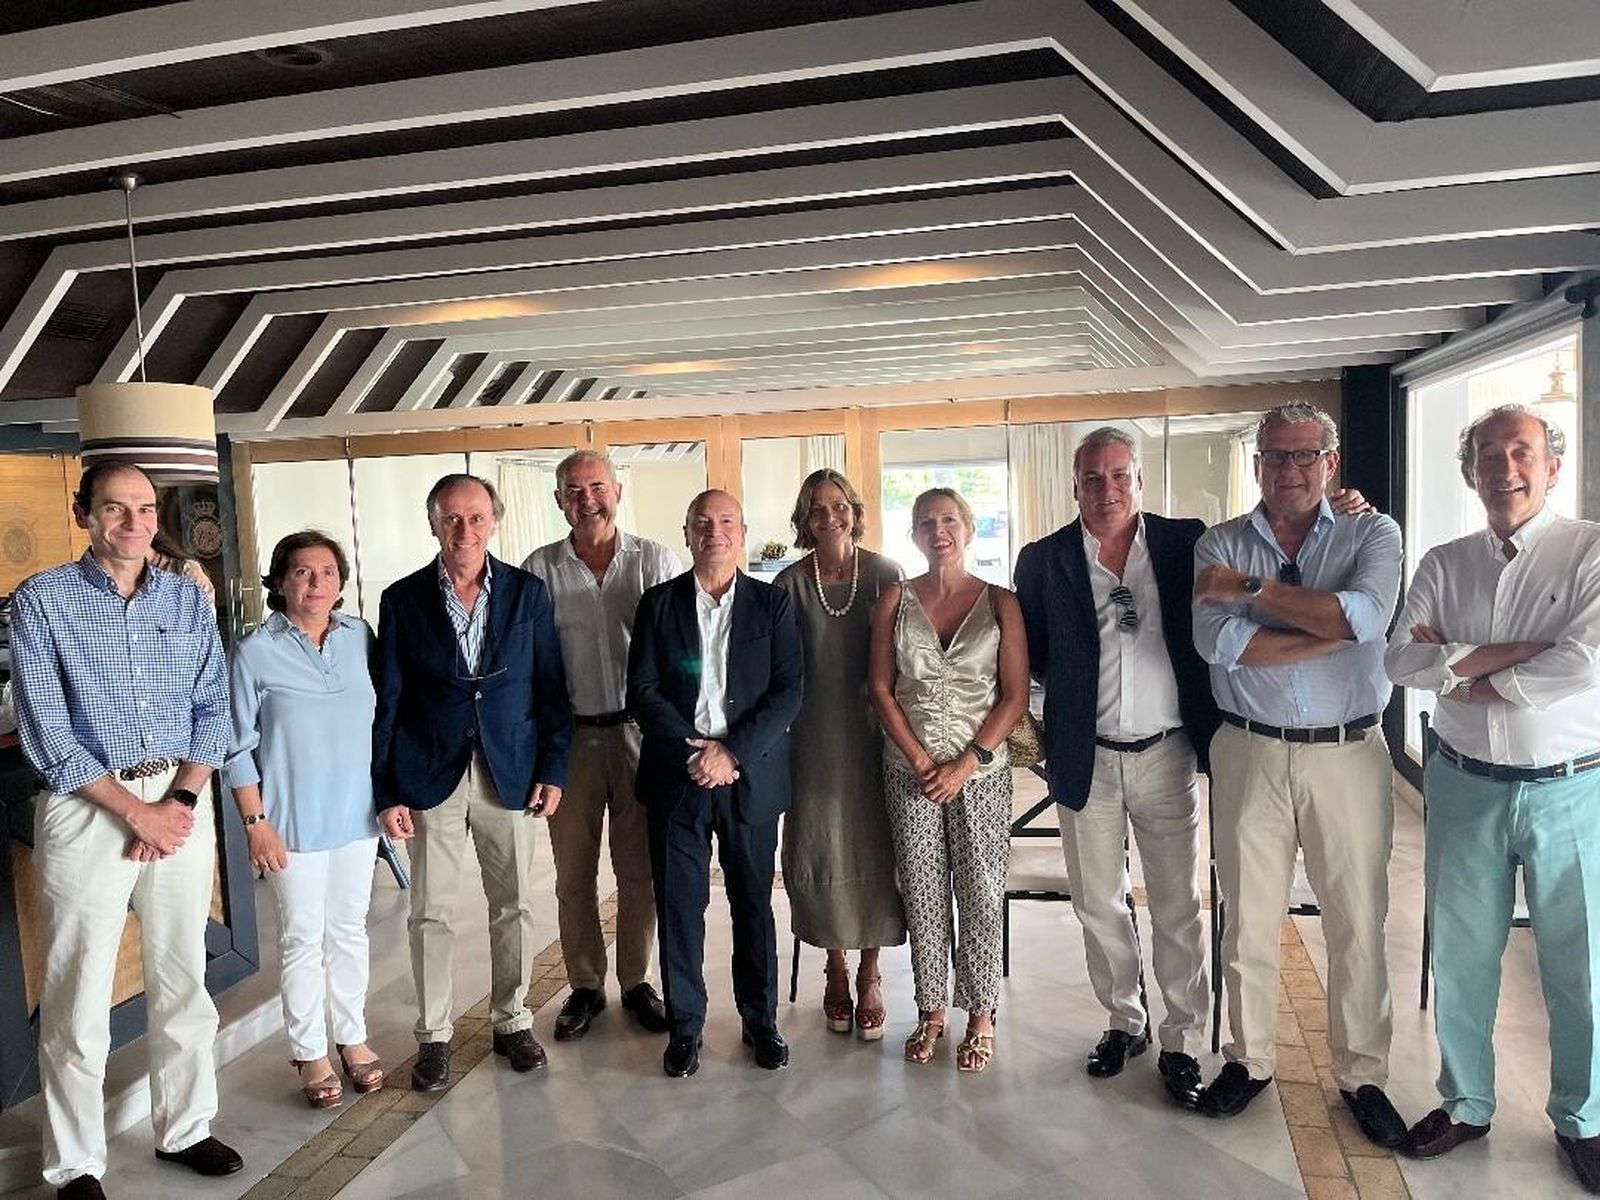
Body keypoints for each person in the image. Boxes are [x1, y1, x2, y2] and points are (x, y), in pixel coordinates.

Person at [9, 461, 241, 1199]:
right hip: (86, 807)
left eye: (144, 509)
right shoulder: (41, 601)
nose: (133, 522)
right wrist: (131, 809)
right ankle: (75, 1163)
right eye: (115, 509)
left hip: (178, 798)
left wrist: (175, 801)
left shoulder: (186, 599)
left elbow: (215, 709)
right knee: (78, 994)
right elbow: (49, 729)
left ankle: (186, 1128)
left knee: (183, 979)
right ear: (85, 514)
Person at [1385, 404, 1600, 1191]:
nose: (1504, 468)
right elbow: (1401, 661)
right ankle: (1466, 1102)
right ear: (1469, 469)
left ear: (1550, 466)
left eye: (1521, 453)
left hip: (1574, 789)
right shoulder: (1445, 561)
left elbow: (1585, 663)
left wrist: (1471, 671)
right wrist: (1516, 665)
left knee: (1581, 967)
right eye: (1487, 455)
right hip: (1465, 783)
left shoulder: (1590, 551)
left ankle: (1583, 1118)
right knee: (1462, 954)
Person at [1191, 402, 1406, 1147]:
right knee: (1247, 918)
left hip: (1348, 753)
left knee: (1356, 919)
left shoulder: (1372, 532)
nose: (1289, 470)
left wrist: (1251, 594)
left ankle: (1363, 1074)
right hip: (1248, 749)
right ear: (1257, 465)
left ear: (1330, 461)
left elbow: (1365, 617)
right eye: (1275, 456)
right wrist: (1330, 628)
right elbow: (1221, 648)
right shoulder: (1217, 542)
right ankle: (1247, 1060)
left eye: (1303, 455)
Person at [1014, 427, 1218, 1106]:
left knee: (1176, 903)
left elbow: (1260, 552)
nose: (1107, 490)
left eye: (1119, 476)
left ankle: (1183, 1038)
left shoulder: (1187, 541)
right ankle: (1124, 1019)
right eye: (1092, 478)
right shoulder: (1043, 560)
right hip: (1087, 757)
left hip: (1167, 752)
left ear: (1140, 480)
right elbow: (1035, 654)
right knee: (1098, 900)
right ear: (1074, 486)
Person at [372, 473, 572, 1091]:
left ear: (495, 522)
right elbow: (390, 701)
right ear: (433, 523)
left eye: (477, 517)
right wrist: (387, 790)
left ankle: (512, 1021)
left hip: (509, 771)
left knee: (514, 904)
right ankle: (433, 1037)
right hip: (430, 773)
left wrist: (553, 769)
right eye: (452, 518)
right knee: (430, 909)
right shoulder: (402, 599)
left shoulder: (527, 593)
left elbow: (550, 688)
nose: (465, 530)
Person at [626, 490, 803, 1078]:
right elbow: (643, 692)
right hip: (678, 780)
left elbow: (788, 692)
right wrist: (696, 754)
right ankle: (686, 1028)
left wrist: (732, 753)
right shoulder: (657, 605)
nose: (715, 532)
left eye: (726, 522)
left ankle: (761, 1022)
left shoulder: (772, 606)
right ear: (687, 532)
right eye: (703, 523)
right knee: (681, 907)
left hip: (748, 779)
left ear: (743, 532)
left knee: (753, 902)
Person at [868, 487, 1029, 1074]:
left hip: (980, 772)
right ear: (913, 535)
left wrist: (968, 761)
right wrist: (916, 758)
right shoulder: (895, 600)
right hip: (908, 770)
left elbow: (1013, 696)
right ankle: (932, 1008)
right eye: (926, 523)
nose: (939, 531)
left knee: (982, 893)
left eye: (950, 520)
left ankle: (982, 1013)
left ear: (969, 529)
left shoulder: (1001, 603)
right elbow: (881, 688)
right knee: (923, 892)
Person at [223, 531, 384, 1109]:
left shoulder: (361, 637)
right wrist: (254, 820)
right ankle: (309, 1049)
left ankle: (352, 1036)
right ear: (279, 580)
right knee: (301, 938)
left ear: (340, 582)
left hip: (358, 817)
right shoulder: (254, 651)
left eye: (326, 573)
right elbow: (235, 746)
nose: (315, 584)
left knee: (348, 932)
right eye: (301, 572)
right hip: (289, 823)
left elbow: (382, 721)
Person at [522, 451, 676, 1040]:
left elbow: (678, 649)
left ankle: (637, 981)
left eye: (596, 486)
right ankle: (585, 984)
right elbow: (532, 666)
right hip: (571, 739)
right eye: (573, 489)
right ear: (558, 500)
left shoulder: (655, 559)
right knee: (573, 874)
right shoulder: (540, 569)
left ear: (618, 491)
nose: (587, 498)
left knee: (639, 870)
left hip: (641, 732)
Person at [774, 469, 905, 1040]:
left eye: (838, 506)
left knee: (877, 843)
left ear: (854, 509)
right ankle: (834, 966)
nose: (829, 517)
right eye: (816, 509)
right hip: (811, 738)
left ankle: (872, 972)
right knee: (819, 844)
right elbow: (777, 672)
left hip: (877, 733)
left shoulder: (885, 574)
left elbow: (906, 658)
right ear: (803, 521)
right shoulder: (787, 584)